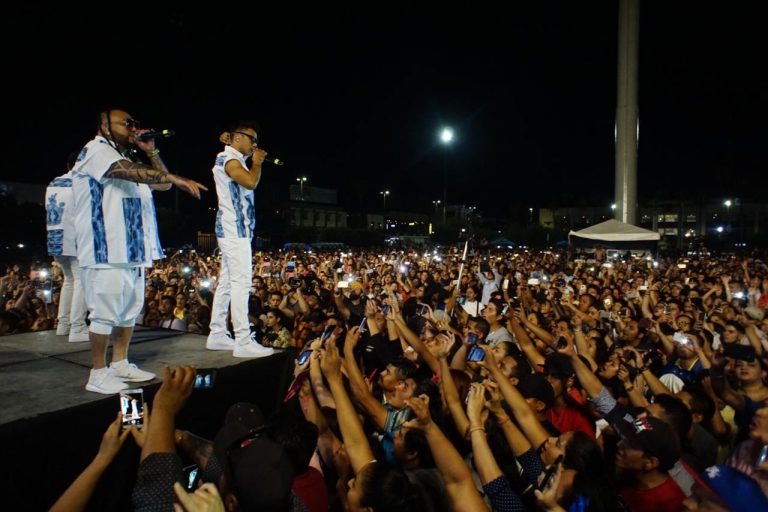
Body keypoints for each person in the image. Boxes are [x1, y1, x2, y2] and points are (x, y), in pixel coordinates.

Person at [72, 109, 207, 394]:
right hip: (106, 245)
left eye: (135, 122)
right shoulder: (96, 150)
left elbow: (161, 183)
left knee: (128, 311)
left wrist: (151, 152)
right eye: (127, 123)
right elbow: (126, 171)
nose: (134, 127)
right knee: (104, 312)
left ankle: (120, 362)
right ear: (105, 127)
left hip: (132, 246)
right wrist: (177, 177)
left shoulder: (130, 155)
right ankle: (98, 372)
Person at [206, 122, 274, 358]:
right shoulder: (231, 161)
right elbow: (250, 182)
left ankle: (216, 333)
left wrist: (242, 151)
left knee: (226, 282)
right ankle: (243, 339)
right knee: (241, 283)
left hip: (234, 228)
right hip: (235, 229)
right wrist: (256, 163)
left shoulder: (231, 157)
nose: (255, 144)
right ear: (236, 139)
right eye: (251, 139)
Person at [45, 152, 89, 342]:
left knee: (69, 280)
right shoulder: (80, 183)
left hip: (55, 237)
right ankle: (78, 327)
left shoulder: (54, 183)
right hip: (74, 237)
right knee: (82, 280)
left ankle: (63, 325)